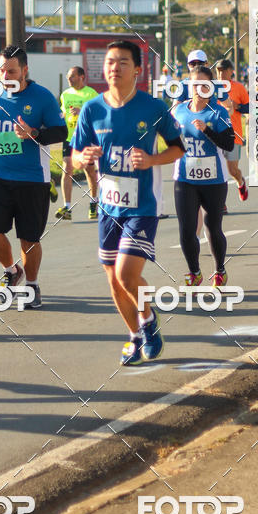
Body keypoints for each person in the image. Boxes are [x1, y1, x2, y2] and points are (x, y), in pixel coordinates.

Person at [71, 40, 184, 366]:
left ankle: (148, 320)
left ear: (137, 69)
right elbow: (76, 155)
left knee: (124, 273)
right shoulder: (93, 109)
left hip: (142, 206)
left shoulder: (152, 108)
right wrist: (84, 158)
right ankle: (135, 336)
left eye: (122, 62)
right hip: (108, 206)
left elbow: (178, 148)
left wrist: (151, 159)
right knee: (113, 279)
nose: (114, 68)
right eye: (109, 62)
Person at [0, 46, 67, 309]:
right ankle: (12, 269)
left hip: (33, 178)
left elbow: (60, 132)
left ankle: (32, 284)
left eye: (12, 71)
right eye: (2, 70)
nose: (5, 75)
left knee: (28, 238)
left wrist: (34, 134)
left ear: (25, 70)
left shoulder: (43, 97)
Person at [173, 65, 235, 287]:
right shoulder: (179, 111)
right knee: (187, 230)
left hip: (214, 180)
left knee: (213, 227)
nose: (198, 88)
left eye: (203, 84)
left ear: (211, 87)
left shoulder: (218, 112)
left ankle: (219, 269)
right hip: (184, 178)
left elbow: (229, 143)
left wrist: (207, 130)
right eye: (194, 84)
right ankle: (195, 271)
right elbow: (167, 138)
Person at [55, 66, 98, 221]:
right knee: (67, 168)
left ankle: (94, 201)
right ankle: (67, 207)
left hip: (86, 138)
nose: (69, 79)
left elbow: (99, 115)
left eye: (72, 76)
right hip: (69, 138)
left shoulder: (91, 94)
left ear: (81, 77)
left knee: (89, 171)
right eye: (68, 76)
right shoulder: (65, 95)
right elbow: (63, 111)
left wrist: (83, 112)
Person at [215, 59, 249, 202]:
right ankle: (220, 203)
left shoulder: (239, 88)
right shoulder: (212, 88)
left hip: (234, 135)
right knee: (216, 171)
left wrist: (238, 107)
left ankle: (240, 182)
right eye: (218, 71)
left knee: (232, 170)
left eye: (224, 70)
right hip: (215, 134)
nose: (221, 73)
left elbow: (249, 108)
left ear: (231, 71)